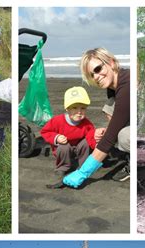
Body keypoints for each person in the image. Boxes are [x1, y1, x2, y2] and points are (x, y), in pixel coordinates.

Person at [63, 48, 130, 188]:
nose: (96, 77)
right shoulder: (112, 87)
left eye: (98, 69)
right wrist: (109, 130)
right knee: (110, 106)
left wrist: (83, 172)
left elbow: (109, 139)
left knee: (123, 136)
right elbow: (121, 114)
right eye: (91, 75)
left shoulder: (127, 84)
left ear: (111, 63)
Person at [41, 87, 97, 188]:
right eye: (75, 108)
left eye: (83, 108)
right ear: (67, 108)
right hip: (63, 149)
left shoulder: (87, 124)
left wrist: (96, 146)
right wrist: (56, 138)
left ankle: (82, 166)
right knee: (64, 145)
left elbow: (91, 137)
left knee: (86, 142)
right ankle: (63, 167)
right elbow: (45, 131)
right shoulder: (57, 120)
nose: (79, 111)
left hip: (78, 149)